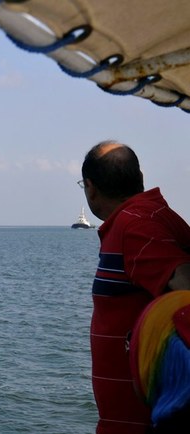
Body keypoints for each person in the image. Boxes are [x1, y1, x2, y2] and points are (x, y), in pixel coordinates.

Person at [80, 140, 190, 433]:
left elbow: (185, 283)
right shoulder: (148, 217)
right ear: (139, 179)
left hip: (139, 422)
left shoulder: (135, 226)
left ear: (90, 187)